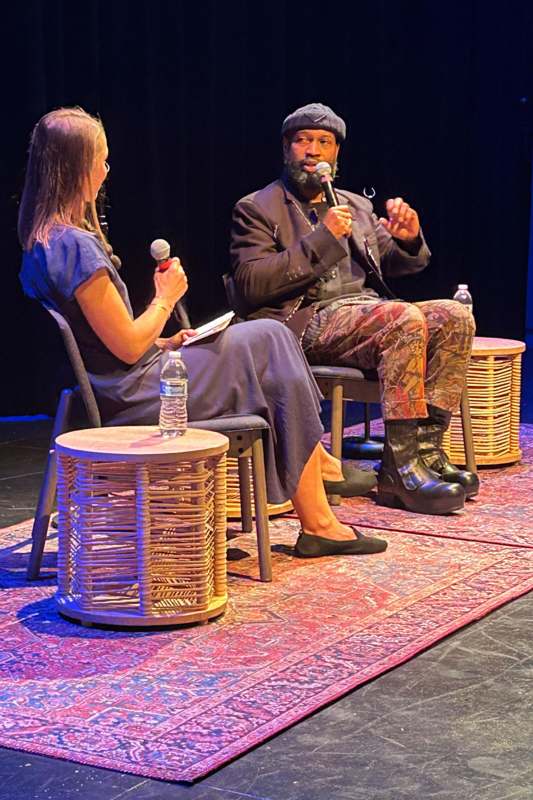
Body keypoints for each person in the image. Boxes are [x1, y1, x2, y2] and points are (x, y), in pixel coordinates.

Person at [18, 106, 386, 559]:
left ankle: (317, 491)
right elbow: (127, 348)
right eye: (102, 160)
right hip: (134, 394)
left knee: (266, 338)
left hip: (125, 379)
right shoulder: (74, 246)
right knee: (270, 338)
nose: (105, 172)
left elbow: (100, 344)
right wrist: (165, 299)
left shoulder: (44, 240)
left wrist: (169, 341)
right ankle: (318, 507)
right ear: (78, 167)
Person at [230, 102, 478, 517]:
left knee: (454, 316)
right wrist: (322, 239)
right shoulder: (257, 208)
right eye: (302, 141)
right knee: (402, 318)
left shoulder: (354, 206)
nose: (312, 151)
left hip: (364, 313)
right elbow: (251, 284)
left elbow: (392, 265)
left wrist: (409, 240)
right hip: (305, 322)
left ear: (336, 155)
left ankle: (427, 452)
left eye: (323, 143)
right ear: (286, 149)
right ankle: (400, 469)